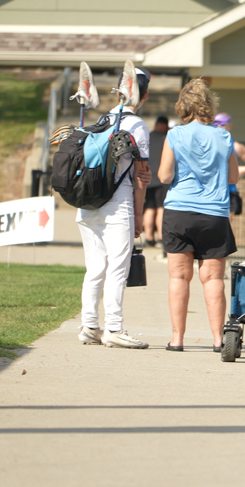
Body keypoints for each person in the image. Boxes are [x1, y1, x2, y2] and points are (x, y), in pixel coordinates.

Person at [158, 79, 238, 352]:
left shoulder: (175, 135)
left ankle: (177, 339)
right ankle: (218, 339)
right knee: (214, 279)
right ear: (209, 106)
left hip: (179, 211)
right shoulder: (224, 136)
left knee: (179, 278)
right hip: (214, 214)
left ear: (183, 106)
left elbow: (165, 175)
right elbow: (234, 176)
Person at [75, 68, 153, 349]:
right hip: (117, 203)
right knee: (118, 268)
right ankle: (114, 328)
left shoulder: (102, 119)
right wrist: (138, 216)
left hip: (87, 202)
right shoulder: (138, 126)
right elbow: (141, 178)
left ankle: (89, 326)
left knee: (95, 267)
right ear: (142, 95)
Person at [213, 113, 245, 217]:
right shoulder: (208, 144)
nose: (219, 126)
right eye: (216, 123)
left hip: (229, 190)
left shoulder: (235, 146)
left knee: (226, 224)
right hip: (211, 190)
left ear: (230, 126)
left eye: (223, 123)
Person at [143, 116, 170, 250]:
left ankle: (148, 238)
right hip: (160, 179)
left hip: (147, 177)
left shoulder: (147, 137)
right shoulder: (164, 139)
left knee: (149, 207)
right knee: (161, 207)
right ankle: (160, 237)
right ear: (164, 125)